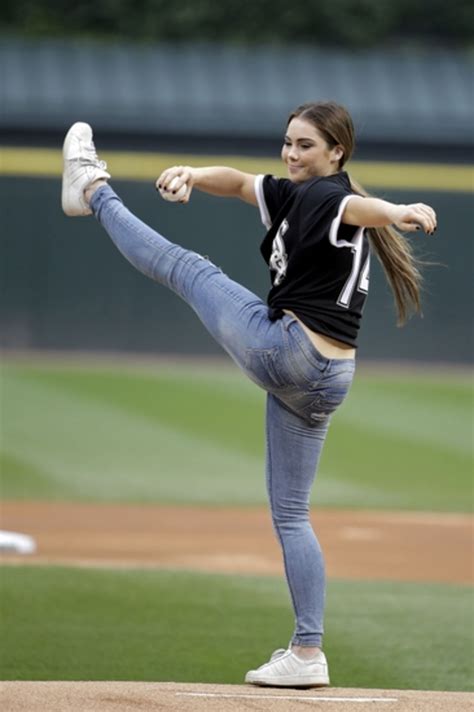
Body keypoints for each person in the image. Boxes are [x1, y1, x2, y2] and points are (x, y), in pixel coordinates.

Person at [61, 101, 437, 688]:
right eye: (287, 142)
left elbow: (359, 208)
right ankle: (307, 654)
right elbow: (238, 183)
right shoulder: (295, 192)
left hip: (290, 352)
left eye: (305, 145)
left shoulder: (326, 196)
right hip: (330, 377)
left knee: (190, 270)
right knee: (291, 513)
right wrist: (191, 172)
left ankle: (93, 190)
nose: (291, 153)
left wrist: (399, 210)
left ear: (336, 152)